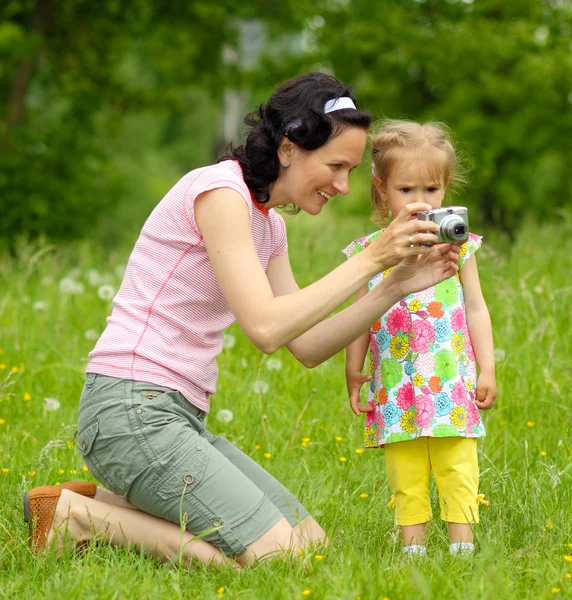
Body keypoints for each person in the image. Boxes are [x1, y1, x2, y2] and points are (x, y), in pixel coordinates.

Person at [25, 75, 461, 568]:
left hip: (176, 418)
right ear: (290, 148)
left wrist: (395, 286)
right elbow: (266, 328)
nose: (342, 186)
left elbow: (309, 345)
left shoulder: (269, 224)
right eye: (336, 166)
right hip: (131, 411)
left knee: (310, 545)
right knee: (278, 558)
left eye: (351, 171)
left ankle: (97, 504)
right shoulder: (220, 193)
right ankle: (77, 519)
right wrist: (371, 259)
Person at [343, 120, 497, 557]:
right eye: (406, 190)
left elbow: (476, 307)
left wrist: (487, 367)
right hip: (396, 383)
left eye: (431, 190)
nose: (420, 201)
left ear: (446, 189)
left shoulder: (457, 247)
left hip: (450, 379)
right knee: (405, 471)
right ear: (381, 190)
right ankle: (413, 551)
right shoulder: (369, 254)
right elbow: (358, 317)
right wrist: (354, 370)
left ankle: (461, 550)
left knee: (457, 465)